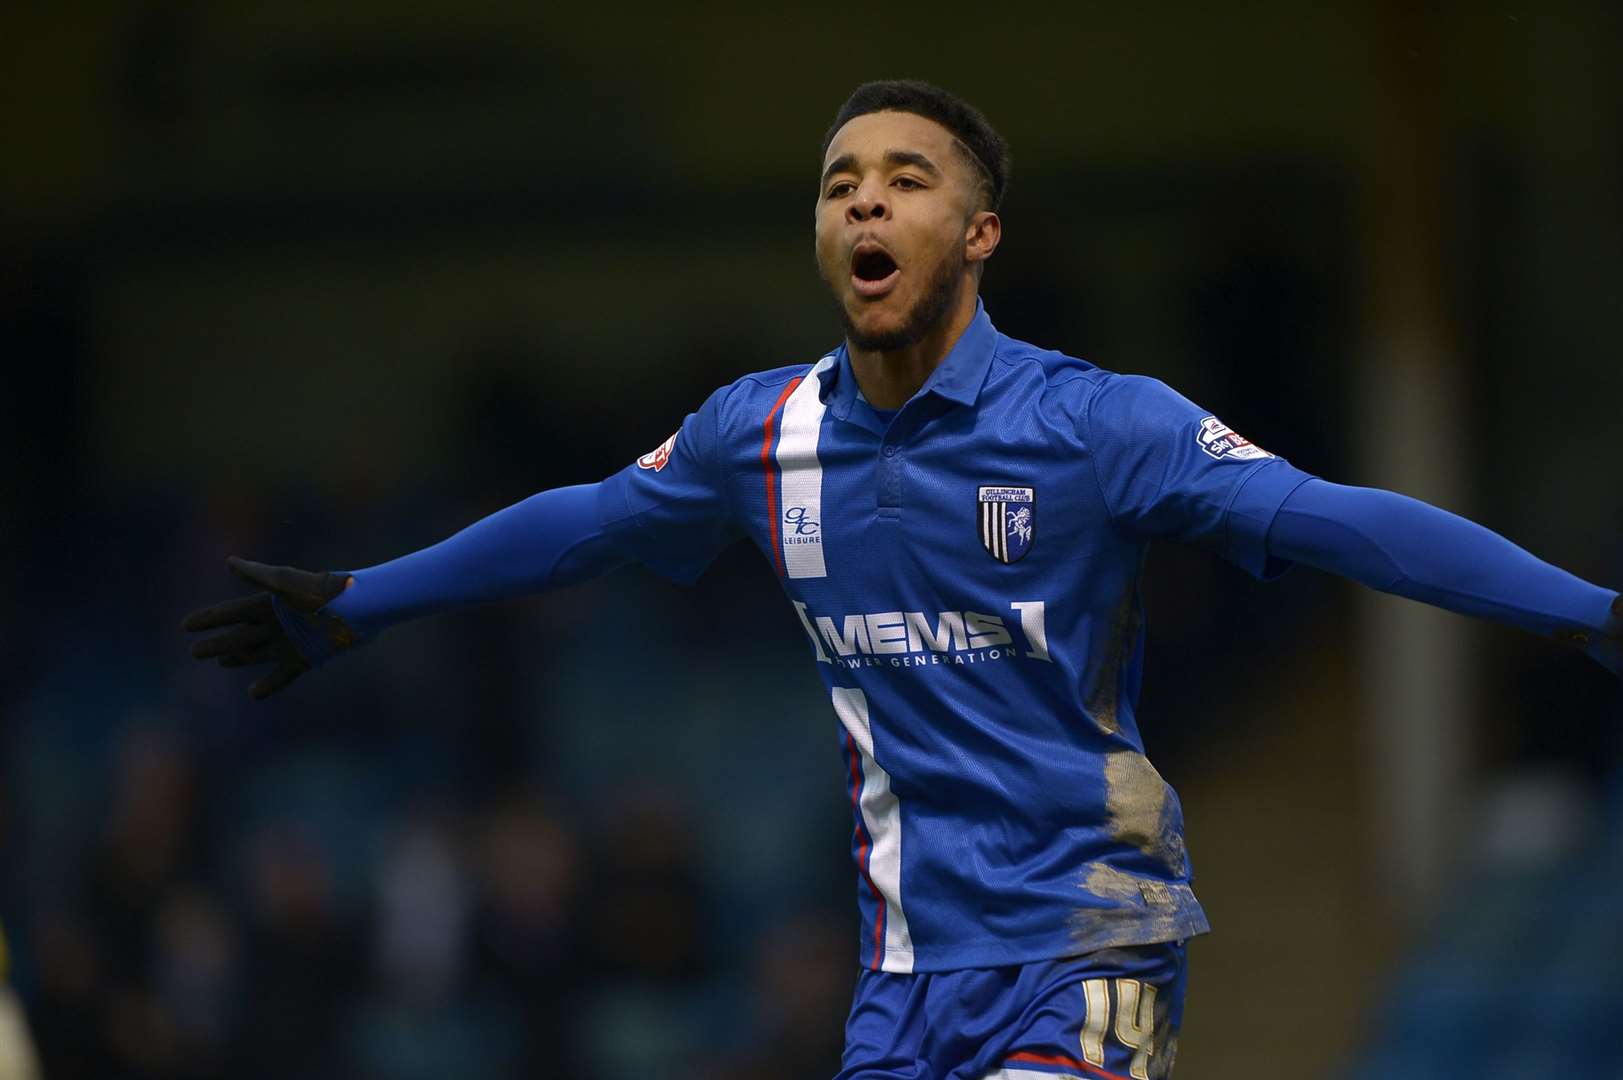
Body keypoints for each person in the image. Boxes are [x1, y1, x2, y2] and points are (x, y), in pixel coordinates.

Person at [184, 80, 1621, 1080]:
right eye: (838, 184)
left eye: (907, 179)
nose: (865, 200)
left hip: (1082, 947)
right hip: (898, 984)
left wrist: (1592, 615)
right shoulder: (762, 430)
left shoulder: (1094, 424)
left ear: (979, 236)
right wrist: (360, 604)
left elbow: (1340, 521)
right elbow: (583, 524)